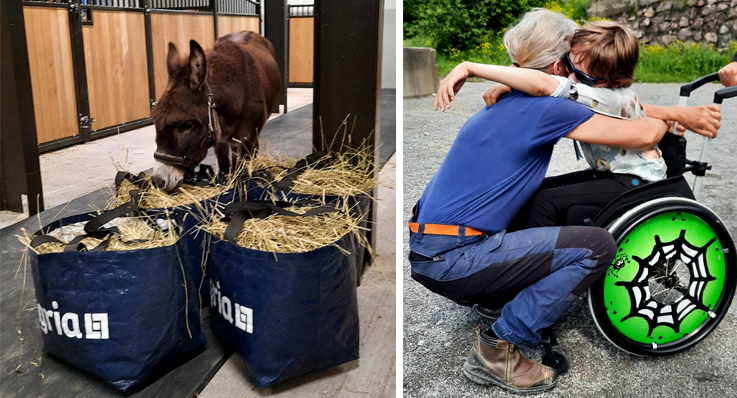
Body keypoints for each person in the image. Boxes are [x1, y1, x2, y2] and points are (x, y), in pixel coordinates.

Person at [410, 8, 669, 395]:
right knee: (596, 247)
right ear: (557, 65)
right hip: (454, 260)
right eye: (572, 60)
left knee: (540, 197)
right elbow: (644, 131)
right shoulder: (550, 107)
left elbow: (604, 103)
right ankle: (498, 348)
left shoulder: (509, 98)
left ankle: (500, 295)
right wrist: (673, 122)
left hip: (431, 245)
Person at [474, 21, 722, 228]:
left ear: (608, 80)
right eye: (567, 63)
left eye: (577, 73)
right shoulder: (616, 92)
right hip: (623, 174)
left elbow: (543, 84)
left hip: (634, 181)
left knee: (545, 203)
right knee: (540, 191)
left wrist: (497, 77)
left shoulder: (601, 96)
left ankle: (542, 267)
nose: (568, 75)